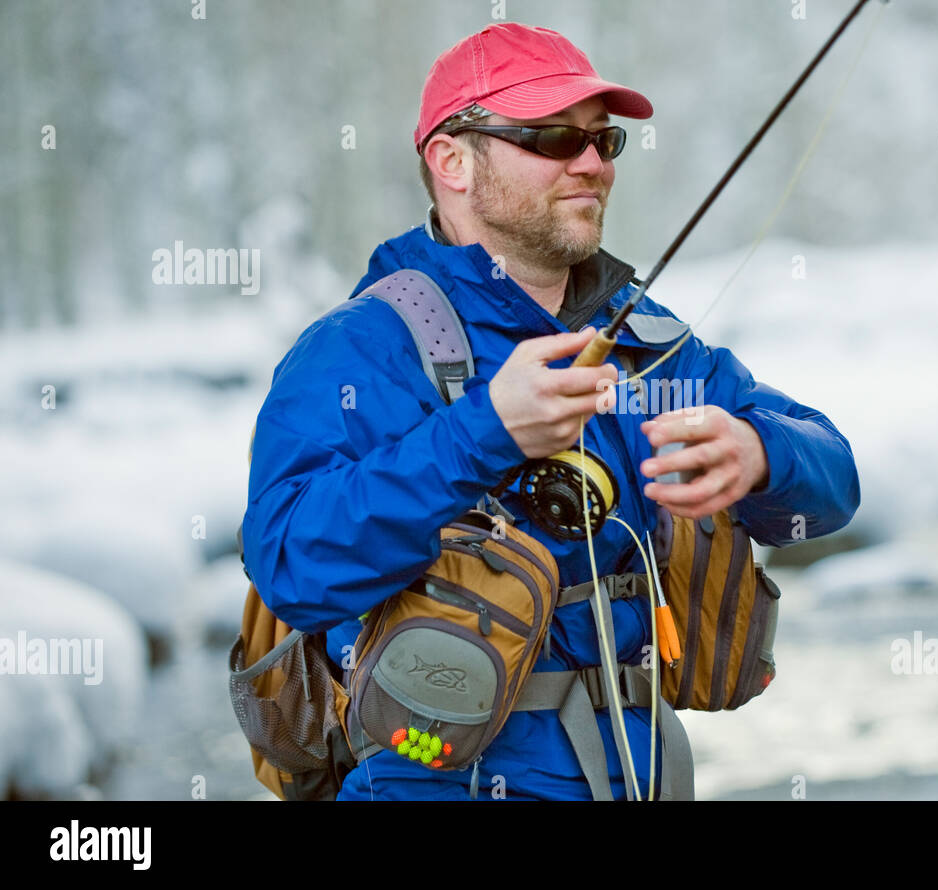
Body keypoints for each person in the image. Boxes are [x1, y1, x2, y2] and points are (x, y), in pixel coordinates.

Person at [240, 22, 860, 801]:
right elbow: (291, 563)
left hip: (643, 776)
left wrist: (763, 454)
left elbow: (836, 486)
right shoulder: (360, 349)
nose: (593, 164)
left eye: (605, 142)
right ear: (452, 160)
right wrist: (481, 436)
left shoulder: (651, 342)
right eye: (554, 138)